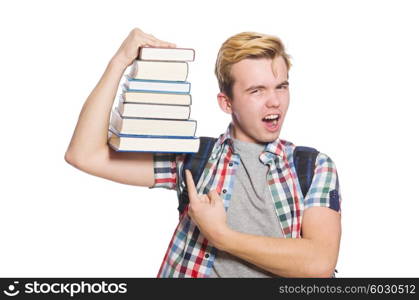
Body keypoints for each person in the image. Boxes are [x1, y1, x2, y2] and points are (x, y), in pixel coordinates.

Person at [65, 28, 342, 278]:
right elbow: (85, 154)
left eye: (281, 86)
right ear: (226, 102)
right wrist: (119, 62)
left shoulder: (312, 167)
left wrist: (221, 235)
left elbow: (319, 263)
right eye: (256, 90)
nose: (275, 101)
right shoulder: (193, 158)